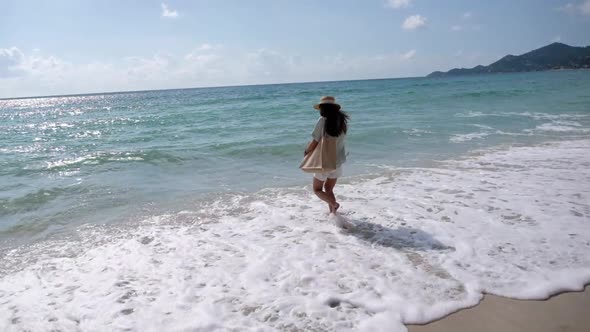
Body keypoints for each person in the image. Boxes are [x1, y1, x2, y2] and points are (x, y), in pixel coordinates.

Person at [304, 96, 349, 214]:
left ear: (323, 109)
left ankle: (334, 204)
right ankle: (334, 216)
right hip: (338, 162)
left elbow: (315, 141)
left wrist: (306, 152)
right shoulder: (342, 122)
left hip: (324, 161)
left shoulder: (323, 120)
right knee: (329, 189)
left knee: (317, 189)